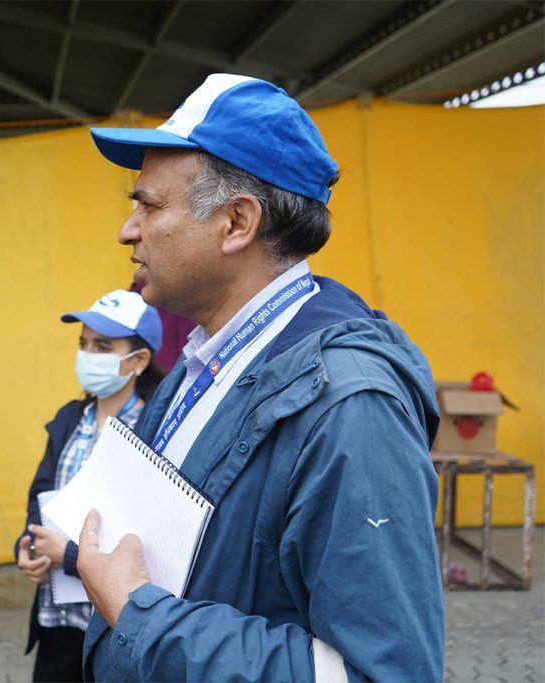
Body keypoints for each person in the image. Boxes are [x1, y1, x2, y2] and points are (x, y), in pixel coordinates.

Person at [74, 74, 445, 680]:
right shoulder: (204, 360)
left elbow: (383, 673)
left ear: (237, 222)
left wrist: (142, 616)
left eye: (149, 205)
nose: (128, 229)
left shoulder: (352, 410)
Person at [15, 290, 163, 683]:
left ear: (139, 360)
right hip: (58, 619)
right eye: (84, 344)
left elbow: (153, 536)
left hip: (116, 626)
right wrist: (28, 546)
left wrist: (69, 556)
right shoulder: (70, 418)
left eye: (103, 347)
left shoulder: (156, 432)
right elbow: (40, 496)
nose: (87, 354)